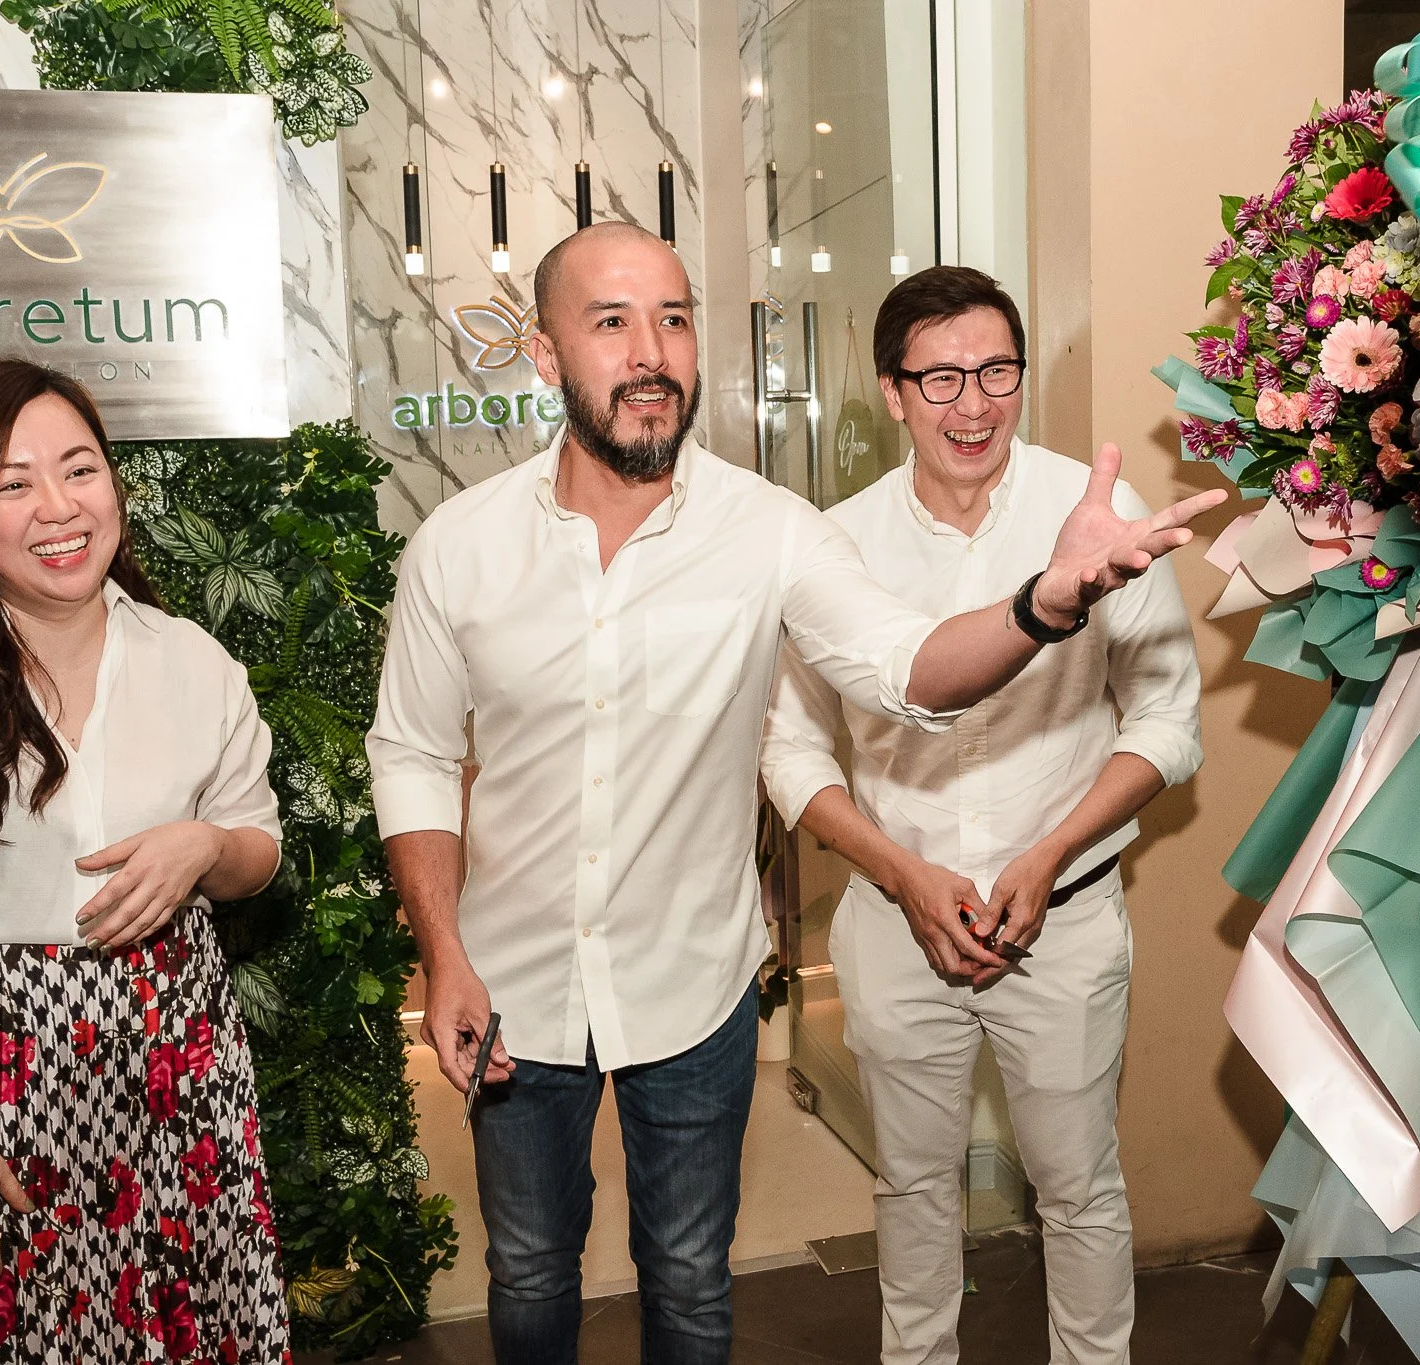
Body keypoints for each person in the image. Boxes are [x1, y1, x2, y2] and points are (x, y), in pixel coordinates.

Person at [366, 221, 1224, 1365]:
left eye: (673, 318)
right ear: (541, 352)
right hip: (513, 981)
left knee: (687, 1279)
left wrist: (1044, 603)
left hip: (694, 988)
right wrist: (441, 951)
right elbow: (414, 753)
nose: (651, 351)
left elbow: (910, 672)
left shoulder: (769, 533)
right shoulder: (456, 547)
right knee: (526, 1270)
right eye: (611, 321)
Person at [760, 265, 1203, 1364]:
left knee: (1079, 1188)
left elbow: (1167, 721)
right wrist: (902, 875)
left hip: (1068, 915)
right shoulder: (834, 541)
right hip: (891, 918)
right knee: (911, 1186)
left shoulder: (1094, 518)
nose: (973, 404)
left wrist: (1049, 854)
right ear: (890, 392)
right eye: (941, 378)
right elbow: (787, 746)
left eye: (995, 371)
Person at [0, 359, 292, 1364]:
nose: (59, 507)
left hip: (179, 1072)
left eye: (79, 470)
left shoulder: (190, 660)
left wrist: (204, 847)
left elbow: (257, 849)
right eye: (13, 483)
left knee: (196, 1334)